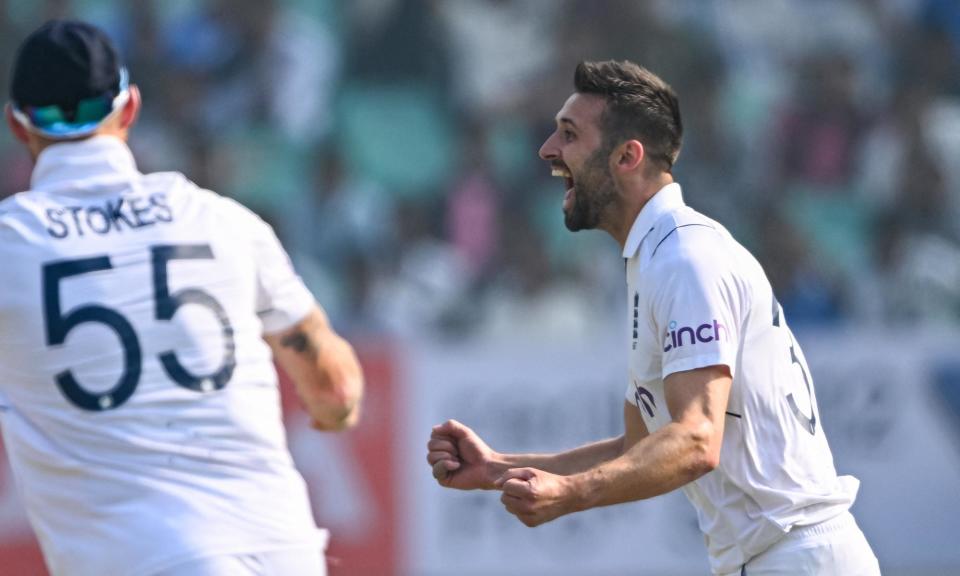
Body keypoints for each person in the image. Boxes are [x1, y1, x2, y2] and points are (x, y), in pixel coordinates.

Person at [427, 60, 880, 576]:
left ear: (627, 155)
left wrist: (571, 495)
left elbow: (694, 441)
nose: (548, 150)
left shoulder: (684, 259)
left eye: (569, 135)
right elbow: (636, 447)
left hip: (797, 560)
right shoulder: (656, 259)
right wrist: (497, 468)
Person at [0, 20, 363, 576]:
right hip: (283, 550)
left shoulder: (11, 244)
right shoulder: (222, 220)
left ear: (16, 125)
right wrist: (333, 415)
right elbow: (336, 391)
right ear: (131, 108)